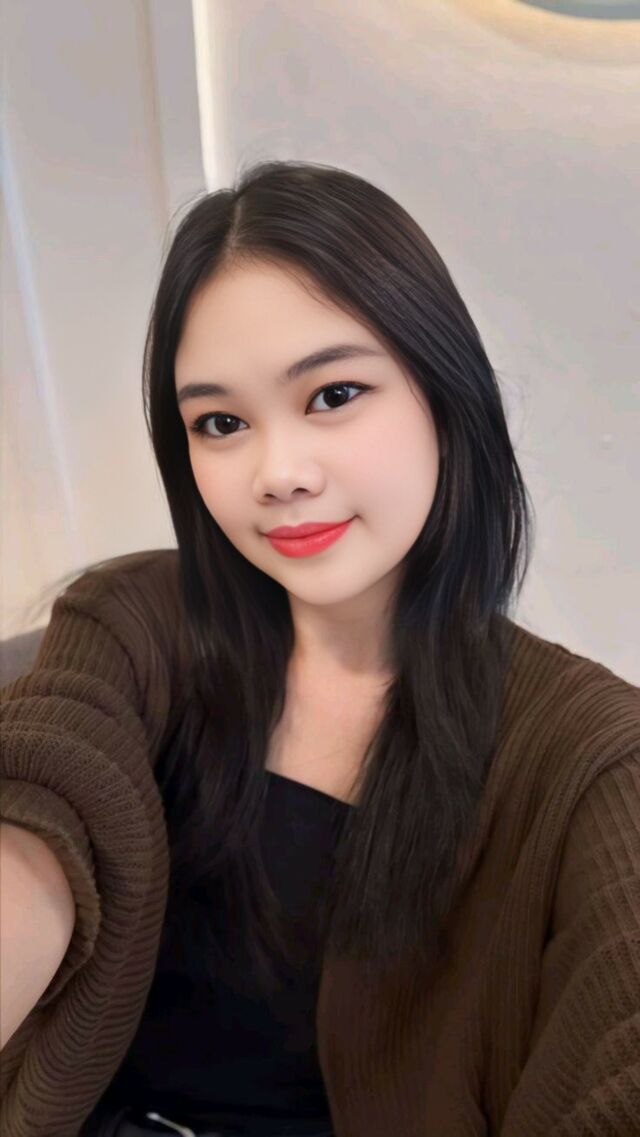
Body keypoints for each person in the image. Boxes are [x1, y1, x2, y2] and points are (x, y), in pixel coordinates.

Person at [1, 158, 639, 1137]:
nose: (278, 473)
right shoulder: (138, 623)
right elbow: (43, 809)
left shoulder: (588, 754)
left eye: (334, 394)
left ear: (443, 392)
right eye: (220, 422)